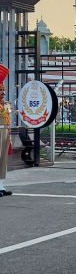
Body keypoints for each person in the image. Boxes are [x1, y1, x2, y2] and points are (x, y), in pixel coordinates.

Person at [0, 64, 13, 197]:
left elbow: (9, 117)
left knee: (3, 160)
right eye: (0, 90)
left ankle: (1, 185)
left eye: (3, 90)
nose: (3, 93)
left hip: (5, 133)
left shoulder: (6, 104)